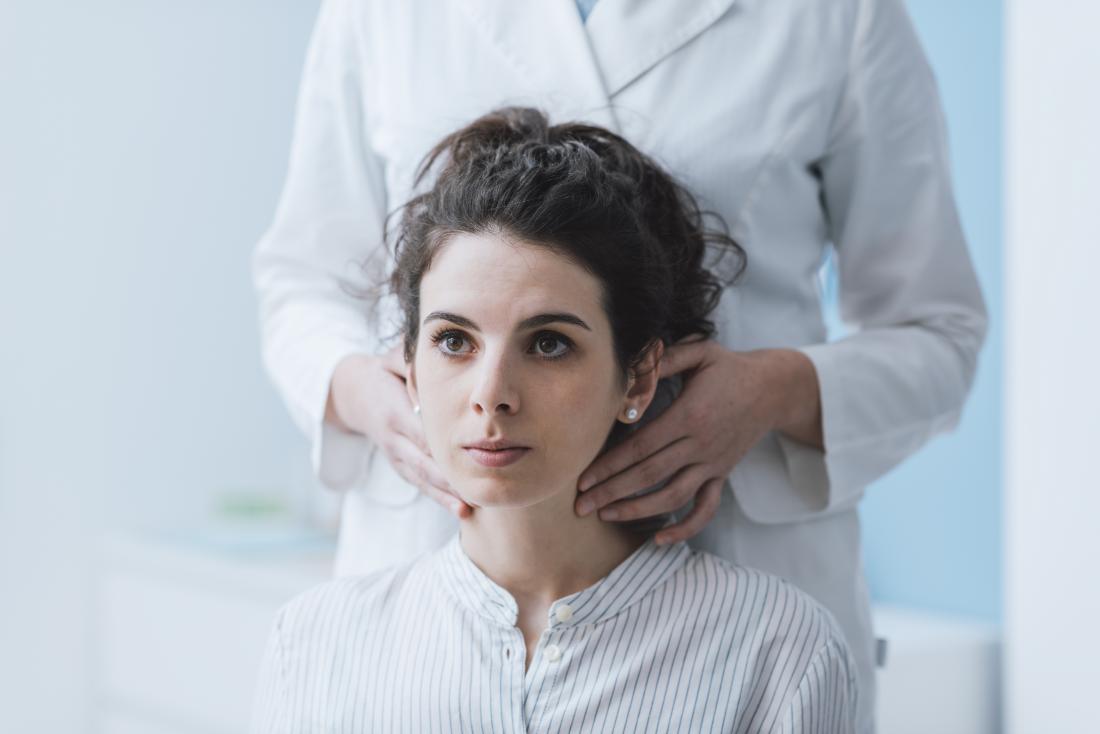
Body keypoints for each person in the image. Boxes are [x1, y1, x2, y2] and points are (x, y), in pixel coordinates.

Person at [251, 1, 988, 731]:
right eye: (451, 344)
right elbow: (306, 282)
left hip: (729, 568)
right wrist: (370, 395)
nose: (492, 391)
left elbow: (935, 328)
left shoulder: (839, 15)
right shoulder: (376, 15)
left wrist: (772, 392)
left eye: (548, 342)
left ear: (641, 373)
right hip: (433, 554)